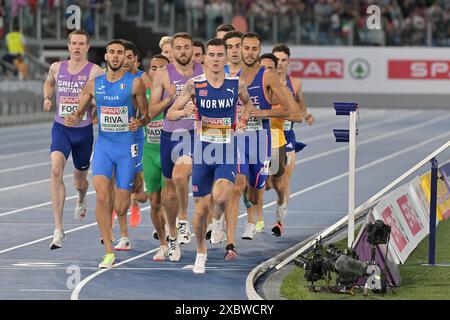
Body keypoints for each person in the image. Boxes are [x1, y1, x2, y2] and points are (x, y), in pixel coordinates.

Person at [166, 37, 258, 273]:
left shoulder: (236, 84)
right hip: (202, 151)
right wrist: (182, 110)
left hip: (226, 149)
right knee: (200, 210)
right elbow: (171, 114)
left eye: (220, 55)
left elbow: (248, 104)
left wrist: (244, 117)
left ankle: (218, 219)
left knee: (220, 195)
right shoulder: (193, 85)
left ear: (226, 58)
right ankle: (200, 253)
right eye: (212, 55)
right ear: (204, 58)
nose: (216, 60)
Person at [64, 39, 150, 269]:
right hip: (104, 146)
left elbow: (147, 116)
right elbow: (79, 110)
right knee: (101, 197)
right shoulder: (94, 84)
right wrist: (74, 116)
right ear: (106, 56)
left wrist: (139, 122)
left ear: (125, 58)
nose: (114, 56)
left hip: (125, 149)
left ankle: (134, 197)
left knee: (120, 207)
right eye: (111, 52)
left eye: (119, 53)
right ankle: (109, 252)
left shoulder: (135, 84)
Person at [43, 29, 103, 250]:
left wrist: (94, 109)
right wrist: (47, 98)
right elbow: (49, 82)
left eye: (82, 44)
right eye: (74, 43)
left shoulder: (95, 71)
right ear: (68, 46)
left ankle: (81, 196)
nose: (77, 47)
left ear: (88, 47)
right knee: (56, 170)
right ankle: (58, 229)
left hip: (83, 132)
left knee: (80, 180)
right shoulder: (56, 67)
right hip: (61, 129)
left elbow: (101, 95)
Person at [236, 33, 297, 241]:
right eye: (247, 48)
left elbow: (293, 112)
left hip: (276, 139)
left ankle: (281, 209)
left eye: (254, 49)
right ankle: (253, 220)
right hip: (242, 138)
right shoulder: (233, 75)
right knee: (242, 181)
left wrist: (262, 112)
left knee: (275, 185)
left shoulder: (285, 84)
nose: (275, 68)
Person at [150, 32, 203, 261]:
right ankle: (172, 236)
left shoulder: (204, 71)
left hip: (193, 134)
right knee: (168, 191)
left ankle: (183, 220)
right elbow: (152, 112)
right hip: (168, 135)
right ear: (172, 50)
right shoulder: (162, 74)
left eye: (186, 47)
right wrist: (168, 98)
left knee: (182, 175)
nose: (183, 51)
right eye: (178, 48)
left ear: (193, 50)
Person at [109, 40, 151, 251]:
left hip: (136, 138)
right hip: (113, 139)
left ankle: (137, 199)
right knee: (117, 183)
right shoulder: (109, 78)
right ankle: (123, 235)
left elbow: (149, 110)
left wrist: (140, 120)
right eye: (119, 56)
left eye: (128, 57)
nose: (123, 60)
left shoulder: (142, 80)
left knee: (139, 189)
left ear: (135, 59)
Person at [272, 43, 314, 236]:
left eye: (283, 60)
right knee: (270, 182)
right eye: (276, 59)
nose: (279, 64)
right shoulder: (264, 81)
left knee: (285, 178)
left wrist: (306, 115)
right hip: (269, 135)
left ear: (288, 62)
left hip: (287, 136)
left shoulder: (295, 83)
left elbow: (300, 103)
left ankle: (280, 219)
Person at [144, 54, 173, 260]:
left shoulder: (176, 95)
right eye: (154, 68)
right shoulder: (142, 93)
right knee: (154, 202)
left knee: (168, 197)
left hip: (169, 150)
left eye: (162, 67)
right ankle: (163, 242)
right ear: (149, 72)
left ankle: (173, 235)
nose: (157, 71)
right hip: (149, 152)